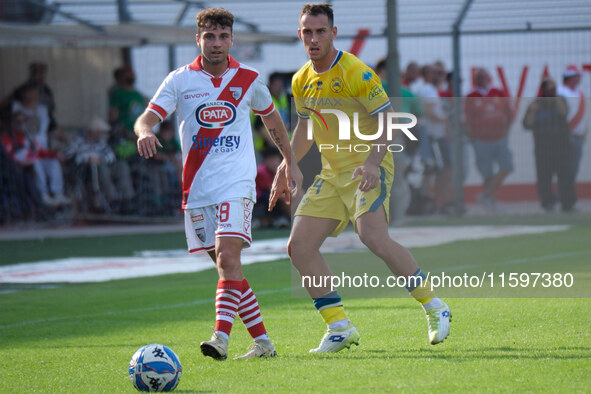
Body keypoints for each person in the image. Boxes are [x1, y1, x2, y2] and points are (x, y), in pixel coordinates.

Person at [271, 3, 450, 354]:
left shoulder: (356, 71)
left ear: (333, 33)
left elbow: (388, 120)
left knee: (372, 237)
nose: (314, 38)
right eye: (307, 31)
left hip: (370, 166)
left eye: (321, 31)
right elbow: (306, 125)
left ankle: (435, 306)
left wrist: (371, 163)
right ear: (300, 34)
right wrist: (286, 163)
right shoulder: (301, 79)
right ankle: (339, 327)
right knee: (299, 247)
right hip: (332, 174)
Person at [134, 7, 302, 361]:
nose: (216, 43)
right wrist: (146, 130)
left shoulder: (249, 79)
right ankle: (264, 344)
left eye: (223, 36)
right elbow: (146, 118)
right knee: (231, 273)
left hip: (237, 184)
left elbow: (272, 119)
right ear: (198, 39)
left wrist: (289, 161)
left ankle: (220, 339)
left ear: (232, 39)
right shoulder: (179, 80)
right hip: (196, 190)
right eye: (209, 36)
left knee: (228, 257)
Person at [465, 68, 514, 212]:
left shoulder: (498, 93)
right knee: (487, 173)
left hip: (500, 137)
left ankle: (486, 194)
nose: (483, 80)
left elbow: (510, 114)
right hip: (481, 139)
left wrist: (506, 132)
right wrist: (472, 138)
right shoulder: (471, 96)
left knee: (507, 166)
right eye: (480, 77)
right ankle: (490, 202)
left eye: (485, 77)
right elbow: (467, 120)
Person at [523, 79, 576, 212]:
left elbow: (564, 113)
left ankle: (568, 204)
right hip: (543, 149)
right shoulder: (536, 104)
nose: (551, 91)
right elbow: (527, 124)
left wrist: (555, 98)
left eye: (553, 88)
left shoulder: (560, 101)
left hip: (562, 147)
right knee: (544, 178)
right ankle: (548, 204)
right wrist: (532, 112)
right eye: (549, 88)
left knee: (566, 177)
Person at [557, 65, 588, 179]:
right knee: (565, 166)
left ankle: (566, 193)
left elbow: (583, 115)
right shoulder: (560, 91)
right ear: (570, 77)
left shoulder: (579, 93)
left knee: (574, 167)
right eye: (577, 76)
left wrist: (584, 131)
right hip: (566, 135)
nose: (579, 78)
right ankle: (562, 194)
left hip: (578, 136)